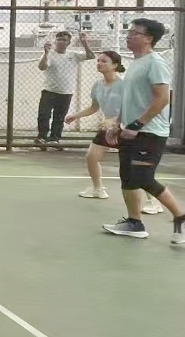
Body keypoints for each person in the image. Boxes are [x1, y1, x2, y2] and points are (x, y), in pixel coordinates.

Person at [103, 18, 185, 244]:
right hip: (130, 130)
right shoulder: (136, 62)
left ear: (148, 38)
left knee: (143, 177)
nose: (129, 35)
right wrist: (118, 124)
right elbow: (131, 99)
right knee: (128, 177)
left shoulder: (156, 63)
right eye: (129, 31)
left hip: (150, 132)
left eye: (134, 32)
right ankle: (134, 223)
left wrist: (137, 125)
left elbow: (163, 98)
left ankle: (183, 219)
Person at [64, 50, 161, 214]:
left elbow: (133, 108)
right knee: (91, 157)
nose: (99, 63)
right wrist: (76, 115)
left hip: (127, 128)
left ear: (115, 65)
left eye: (104, 61)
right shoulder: (97, 85)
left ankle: (154, 201)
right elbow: (94, 107)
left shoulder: (124, 85)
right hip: (109, 129)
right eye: (98, 61)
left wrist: (115, 120)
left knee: (137, 166)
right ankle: (98, 189)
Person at [35, 31, 91, 149]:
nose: (61, 42)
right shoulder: (50, 54)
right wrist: (46, 53)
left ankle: (54, 139)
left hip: (66, 92)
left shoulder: (73, 55)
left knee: (59, 117)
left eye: (64, 40)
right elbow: (42, 67)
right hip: (49, 90)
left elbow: (90, 56)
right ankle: (42, 137)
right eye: (59, 39)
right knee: (44, 115)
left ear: (68, 42)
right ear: (55, 41)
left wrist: (85, 43)